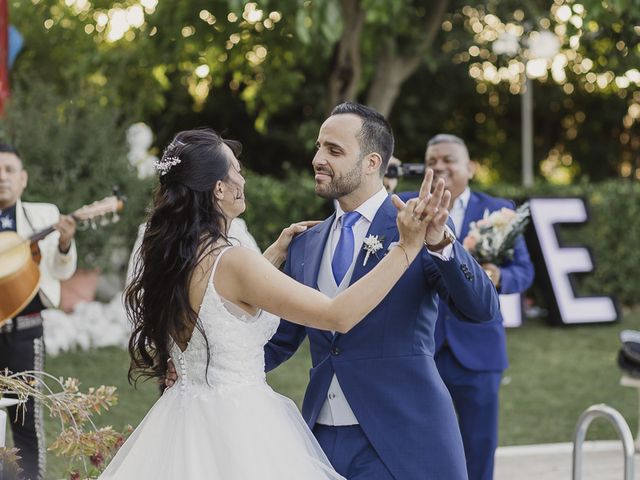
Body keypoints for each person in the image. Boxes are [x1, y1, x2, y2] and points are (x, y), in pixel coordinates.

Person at [99, 128, 432, 479]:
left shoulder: (171, 258)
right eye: (236, 170)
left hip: (181, 416)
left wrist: (273, 254)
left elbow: (222, 298)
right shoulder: (234, 262)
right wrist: (406, 248)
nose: (243, 178)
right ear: (219, 189)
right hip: (239, 425)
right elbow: (338, 315)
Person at [261, 103, 500, 480]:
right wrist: (207, 368)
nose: (318, 159)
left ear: (372, 163)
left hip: (404, 438)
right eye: (319, 147)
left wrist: (440, 243)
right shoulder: (305, 243)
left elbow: (481, 308)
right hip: (320, 441)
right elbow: (280, 341)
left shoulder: (417, 227)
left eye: (334, 151)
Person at [400, 133, 535, 480]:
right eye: (432, 161)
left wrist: (495, 275)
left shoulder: (497, 210)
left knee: (478, 446)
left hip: (479, 349)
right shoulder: (404, 206)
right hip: (420, 347)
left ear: (470, 168)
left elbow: (525, 271)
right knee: (417, 444)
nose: (440, 166)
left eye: (448, 160)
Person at [0, 143, 77, 480]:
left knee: (25, 422)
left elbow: (62, 271)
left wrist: (63, 244)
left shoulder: (44, 216)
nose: (2, 177)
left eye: (9, 170)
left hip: (24, 333)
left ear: (23, 178)